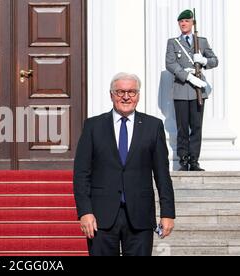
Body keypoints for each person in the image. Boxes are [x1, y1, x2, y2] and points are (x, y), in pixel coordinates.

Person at [73, 73, 175, 256]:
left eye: (132, 92)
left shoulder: (153, 126)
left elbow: (162, 175)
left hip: (140, 216)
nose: (126, 97)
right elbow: (81, 174)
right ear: (111, 94)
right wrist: (84, 212)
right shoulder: (93, 126)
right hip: (101, 218)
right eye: (120, 92)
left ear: (138, 95)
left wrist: (168, 213)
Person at [166, 9, 219, 171]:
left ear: (192, 23)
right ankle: (183, 160)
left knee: (196, 126)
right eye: (181, 22)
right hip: (181, 89)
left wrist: (203, 60)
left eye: (187, 21)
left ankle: (194, 160)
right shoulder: (173, 42)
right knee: (182, 127)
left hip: (198, 91)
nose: (183, 24)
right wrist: (187, 77)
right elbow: (170, 63)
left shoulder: (201, 42)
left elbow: (214, 60)